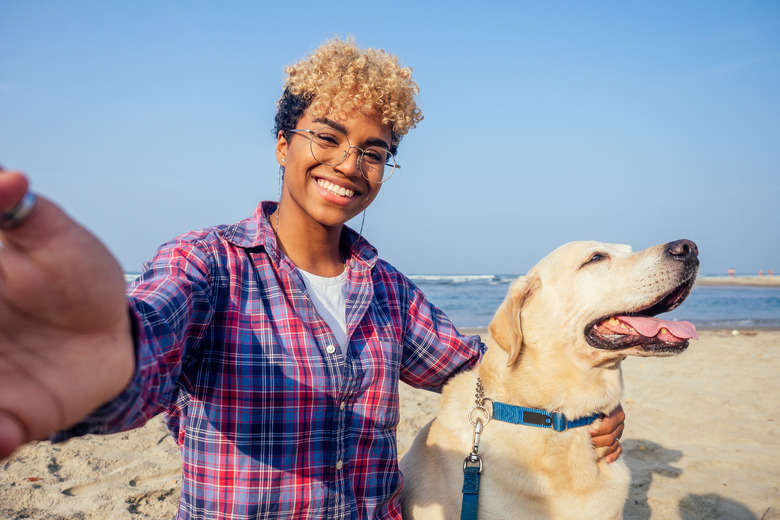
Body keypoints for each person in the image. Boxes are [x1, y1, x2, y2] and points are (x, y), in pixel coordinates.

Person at [0, 38, 624, 519]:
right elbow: (147, 348)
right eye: (327, 136)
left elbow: (486, 368)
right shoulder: (207, 265)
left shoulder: (387, 291)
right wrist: (91, 355)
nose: (349, 164)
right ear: (282, 144)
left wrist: (581, 407)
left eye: (374, 152)